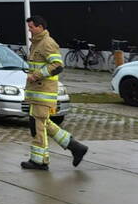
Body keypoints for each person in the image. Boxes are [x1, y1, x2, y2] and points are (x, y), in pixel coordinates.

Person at [21, 15, 89, 170]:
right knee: (43, 124)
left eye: (31, 27)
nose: (29, 30)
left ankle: (40, 162)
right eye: (29, 27)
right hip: (37, 93)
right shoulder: (36, 44)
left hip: (43, 93)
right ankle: (75, 147)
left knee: (38, 126)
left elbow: (57, 65)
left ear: (40, 27)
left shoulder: (47, 43)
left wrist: (36, 75)